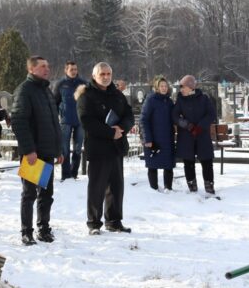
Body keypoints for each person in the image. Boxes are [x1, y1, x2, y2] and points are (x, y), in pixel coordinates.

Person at [77, 62, 134, 234]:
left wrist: (121, 128)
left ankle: (114, 221)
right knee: (97, 187)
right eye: (102, 74)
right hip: (98, 147)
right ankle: (94, 223)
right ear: (94, 76)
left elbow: (128, 114)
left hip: (116, 146)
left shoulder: (116, 94)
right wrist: (110, 132)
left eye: (109, 73)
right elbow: (86, 121)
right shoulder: (86, 95)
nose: (106, 77)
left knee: (116, 187)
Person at [11, 56, 63, 244]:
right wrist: (28, 150)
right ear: (32, 69)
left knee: (46, 194)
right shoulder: (25, 90)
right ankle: (27, 231)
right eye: (42, 66)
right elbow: (18, 121)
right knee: (30, 194)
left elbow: (53, 122)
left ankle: (44, 228)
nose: (47, 69)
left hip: (48, 151)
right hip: (34, 153)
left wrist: (58, 149)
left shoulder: (46, 90)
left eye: (47, 65)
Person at [172, 75, 217, 195]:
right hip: (186, 135)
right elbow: (175, 116)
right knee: (188, 162)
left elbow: (211, 114)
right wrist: (187, 125)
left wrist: (200, 126)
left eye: (183, 87)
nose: (181, 89)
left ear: (191, 87)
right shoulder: (180, 100)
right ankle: (192, 186)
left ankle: (209, 186)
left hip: (202, 135)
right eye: (181, 87)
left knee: (206, 161)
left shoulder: (204, 98)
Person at [139, 75, 176, 192]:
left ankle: (168, 188)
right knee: (153, 165)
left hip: (167, 139)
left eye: (165, 86)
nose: (164, 88)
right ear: (157, 87)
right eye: (161, 86)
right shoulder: (151, 100)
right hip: (154, 139)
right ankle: (153, 189)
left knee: (168, 165)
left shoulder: (169, 101)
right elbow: (143, 119)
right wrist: (147, 139)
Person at [54, 61, 86, 180]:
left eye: (75, 69)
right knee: (65, 148)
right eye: (71, 69)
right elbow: (55, 102)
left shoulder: (83, 83)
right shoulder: (60, 84)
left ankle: (74, 173)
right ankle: (65, 175)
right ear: (66, 70)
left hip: (80, 121)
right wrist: (56, 118)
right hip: (65, 120)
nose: (74, 71)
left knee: (78, 148)